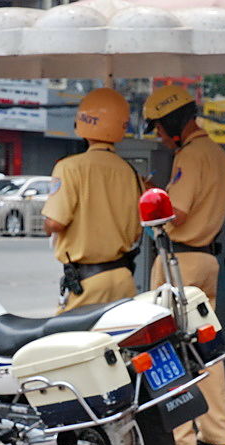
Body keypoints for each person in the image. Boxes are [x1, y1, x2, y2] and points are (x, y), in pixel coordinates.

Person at [142, 84, 225, 445]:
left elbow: (173, 212)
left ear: (173, 123)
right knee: (206, 350)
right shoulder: (218, 154)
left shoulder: (191, 156)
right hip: (208, 260)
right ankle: (218, 432)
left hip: (179, 263)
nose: (160, 138)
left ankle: (182, 437)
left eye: (160, 130)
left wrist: (149, 194)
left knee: (168, 348)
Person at [41, 87, 143, 313]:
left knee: (65, 345)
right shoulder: (130, 173)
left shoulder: (69, 167)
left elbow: (56, 222)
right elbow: (137, 231)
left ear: (83, 120)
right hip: (123, 279)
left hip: (88, 285)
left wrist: (46, 223)